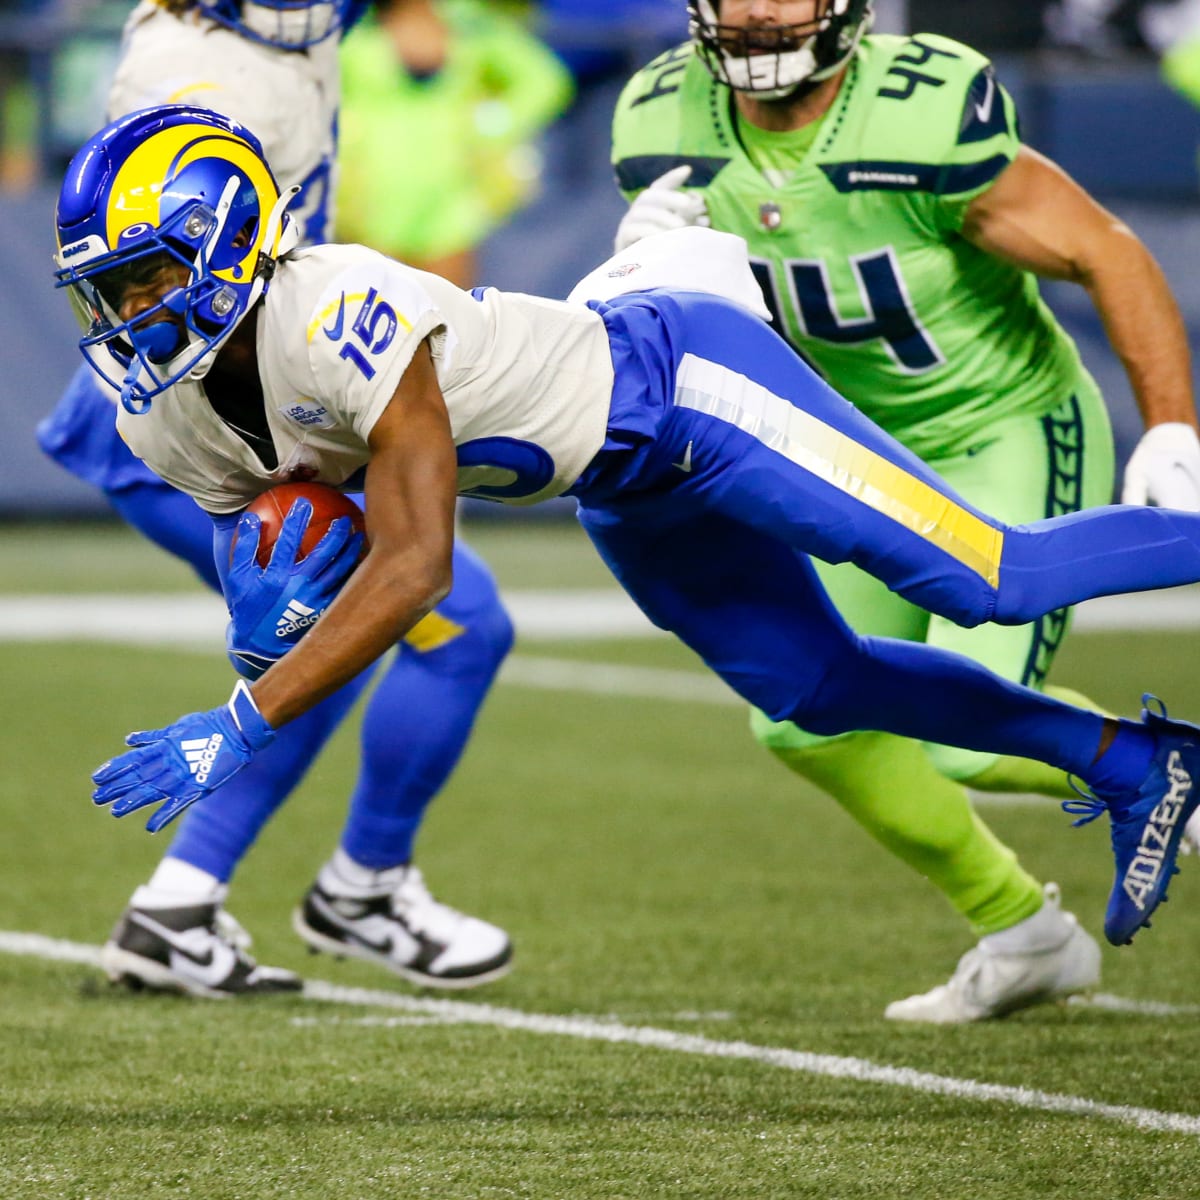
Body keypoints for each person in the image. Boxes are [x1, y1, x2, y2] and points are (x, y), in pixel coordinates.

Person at [56, 105, 1200, 972]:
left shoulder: (331, 307)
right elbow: (269, 568)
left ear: (226, 237)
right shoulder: (163, 416)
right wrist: (262, 646)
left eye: (145, 277)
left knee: (985, 578)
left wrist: (247, 717)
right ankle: (1134, 760)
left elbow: (416, 564)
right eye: (104, 294)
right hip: (618, 484)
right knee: (815, 684)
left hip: (684, 386)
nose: (125, 318)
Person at [606, 0, 1200, 1023]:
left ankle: (1168, 769)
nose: (755, 11)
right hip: (843, 446)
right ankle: (1022, 932)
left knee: (966, 736)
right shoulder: (660, 121)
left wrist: (1173, 427)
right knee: (807, 719)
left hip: (1001, 420)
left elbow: (1106, 248)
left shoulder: (915, 114)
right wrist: (639, 267)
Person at [36, 0, 515, 998]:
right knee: (434, 621)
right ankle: (362, 886)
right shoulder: (197, 67)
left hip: (234, 411)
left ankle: (180, 907)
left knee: (339, 639)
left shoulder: (291, 39)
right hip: (183, 431)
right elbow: (159, 286)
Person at [336, 0, 573, 288]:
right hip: (370, 200)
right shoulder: (353, 19)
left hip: (450, 199)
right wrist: (346, 135)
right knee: (373, 311)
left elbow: (544, 81)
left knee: (449, 316)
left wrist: (492, 123)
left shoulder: (469, 21)